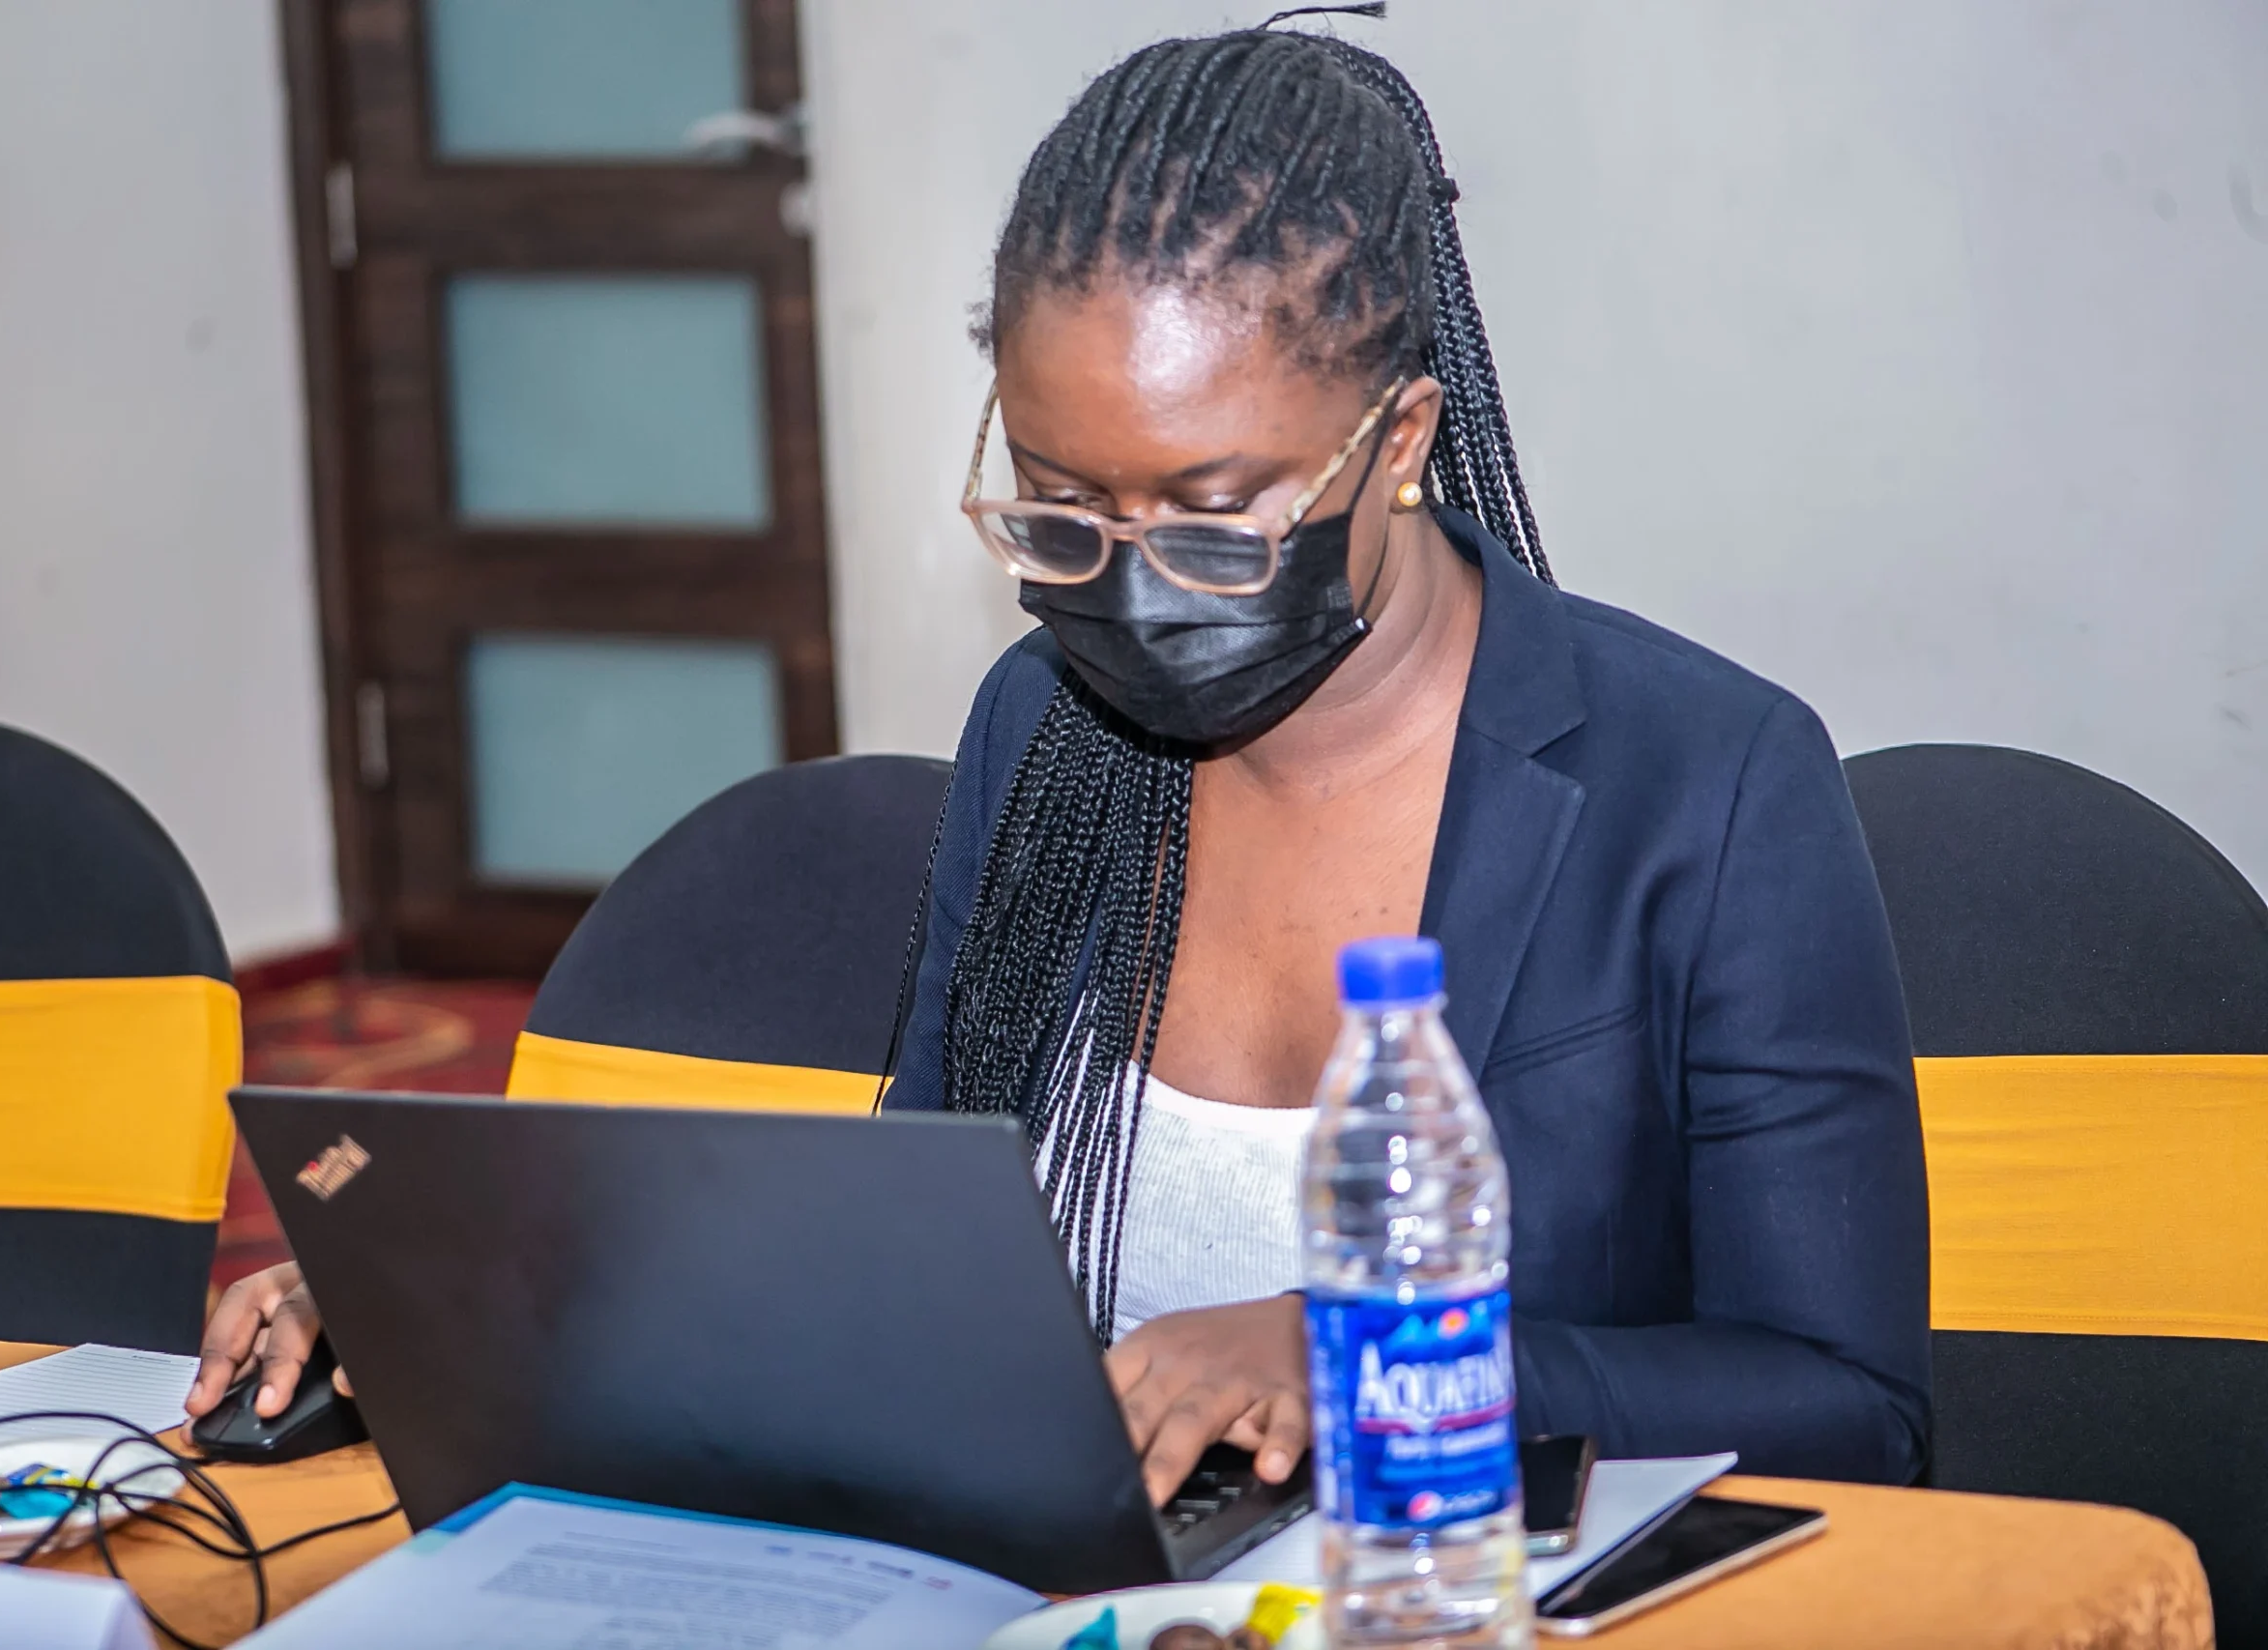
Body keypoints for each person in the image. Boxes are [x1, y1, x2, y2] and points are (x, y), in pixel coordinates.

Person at [191, 19, 1930, 1511]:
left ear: (1399, 439)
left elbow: (1851, 1404)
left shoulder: (1702, 786)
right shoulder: (1048, 728)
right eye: (1062, 508)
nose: (1131, 586)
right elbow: (914, 1264)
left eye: (1213, 516)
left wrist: (1378, 1362)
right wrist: (465, 1304)